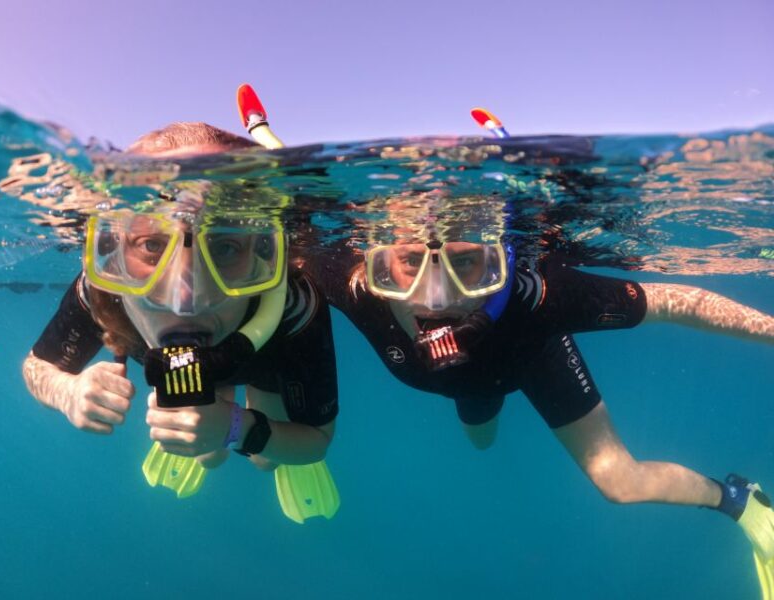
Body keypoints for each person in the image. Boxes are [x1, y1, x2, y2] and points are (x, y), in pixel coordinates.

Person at [293, 192, 774, 592]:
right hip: (468, 385)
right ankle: (476, 400)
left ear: (499, 262)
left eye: (466, 262)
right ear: (377, 264)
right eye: (410, 262)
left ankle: (738, 499)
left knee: (619, 481)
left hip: (535, 362)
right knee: (480, 437)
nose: (436, 296)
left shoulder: (540, 301)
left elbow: (675, 302)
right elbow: (268, 285)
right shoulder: (354, 286)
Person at [22, 123, 340, 520]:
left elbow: (317, 440)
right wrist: (66, 392)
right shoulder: (102, 290)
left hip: (262, 361)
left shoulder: (293, 304)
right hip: (212, 370)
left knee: (266, 460)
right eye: (152, 245)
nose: (187, 300)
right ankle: (208, 432)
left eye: (225, 247)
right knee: (209, 456)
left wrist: (239, 428)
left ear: (263, 252)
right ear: (113, 252)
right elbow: (37, 367)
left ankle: (229, 431)